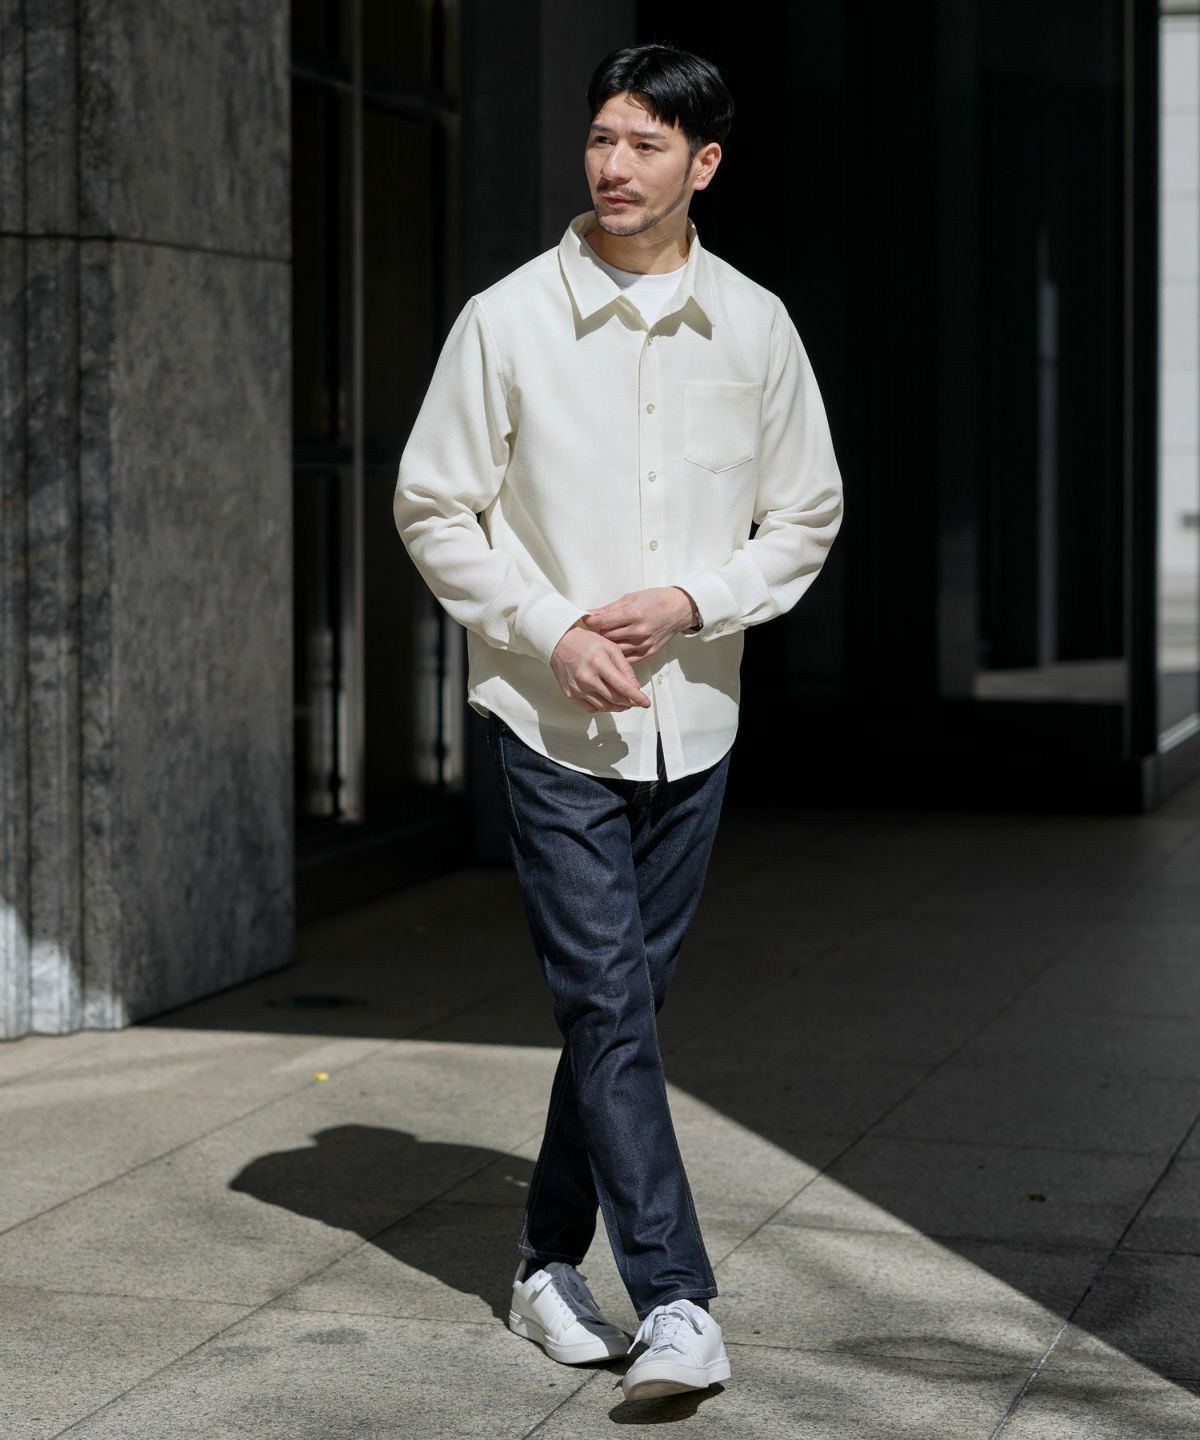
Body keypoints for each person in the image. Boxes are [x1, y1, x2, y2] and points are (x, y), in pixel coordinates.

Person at [393, 42, 843, 1404]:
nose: (614, 165)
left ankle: (543, 1264)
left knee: (619, 1013)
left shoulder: (756, 326)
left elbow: (805, 516)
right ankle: (679, 1301)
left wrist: (694, 600)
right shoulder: (506, 319)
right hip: (549, 724)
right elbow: (433, 506)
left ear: (704, 164)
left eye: (647, 144)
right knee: (606, 1001)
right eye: (602, 137)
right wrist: (553, 630)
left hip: (694, 722)